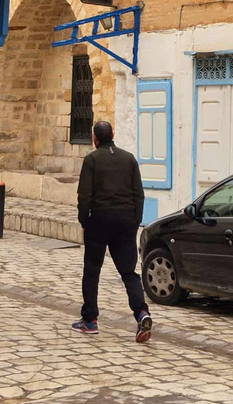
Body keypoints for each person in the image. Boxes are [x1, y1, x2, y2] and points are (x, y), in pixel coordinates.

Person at [72, 121, 153, 343]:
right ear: (113, 135)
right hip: (126, 220)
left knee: (92, 271)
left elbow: (84, 195)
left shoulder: (91, 160)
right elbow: (139, 193)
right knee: (129, 272)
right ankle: (141, 313)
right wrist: (136, 219)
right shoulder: (129, 159)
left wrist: (84, 220)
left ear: (94, 138)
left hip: (99, 219)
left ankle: (90, 320)